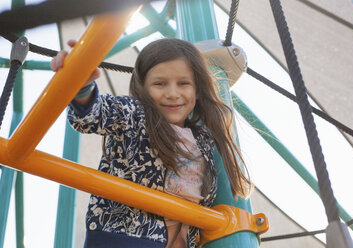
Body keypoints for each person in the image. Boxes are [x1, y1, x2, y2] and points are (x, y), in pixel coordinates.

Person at [51, 38, 252, 248]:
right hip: (127, 239)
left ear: (197, 89)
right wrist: (81, 86)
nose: (173, 94)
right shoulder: (134, 115)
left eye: (183, 83)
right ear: (143, 89)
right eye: (159, 84)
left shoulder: (203, 139)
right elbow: (93, 115)